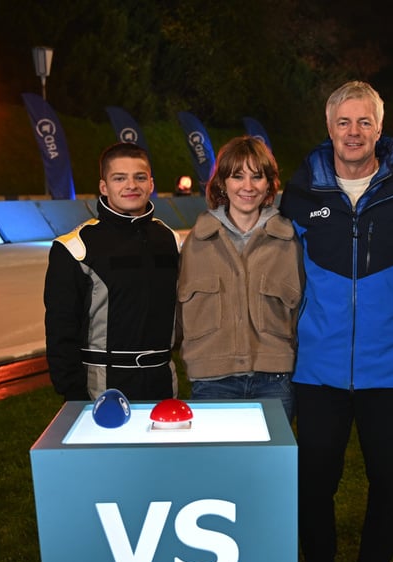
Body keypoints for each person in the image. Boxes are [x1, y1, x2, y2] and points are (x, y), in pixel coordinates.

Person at [279, 80, 393, 562]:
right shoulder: (300, 196)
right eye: (344, 122)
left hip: (391, 370)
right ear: (329, 128)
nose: (353, 132)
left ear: (379, 127)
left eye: (364, 122)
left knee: (388, 483)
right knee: (314, 483)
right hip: (318, 370)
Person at [177, 136, 303, 421]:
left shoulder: (289, 242)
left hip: (274, 381)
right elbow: (179, 314)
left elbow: (302, 312)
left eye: (257, 176)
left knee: (271, 466)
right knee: (217, 467)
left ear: (269, 184)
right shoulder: (196, 243)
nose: (248, 186)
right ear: (222, 182)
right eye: (237, 176)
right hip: (212, 382)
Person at [44, 142, 181, 402]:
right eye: (120, 178)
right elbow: (60, 331)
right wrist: (73, 394)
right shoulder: (75, 247)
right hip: (102, 387)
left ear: (151, 184)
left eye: (140, 177)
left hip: (162, 383)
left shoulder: (170, 240)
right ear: (104, 187)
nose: (131, 185)